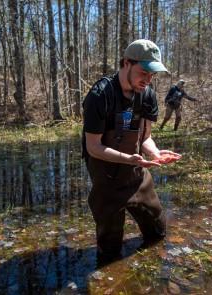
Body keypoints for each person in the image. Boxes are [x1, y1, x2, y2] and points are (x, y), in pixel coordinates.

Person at [82, 39, 181, 261]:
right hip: (106, 178)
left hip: (137, 174)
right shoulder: (100, 96)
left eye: (152, 75)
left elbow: (145, 137)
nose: (147, 80)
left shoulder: (147, 96)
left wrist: (154, 153)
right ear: (127, 63)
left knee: (157, 231)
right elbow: (93, 147)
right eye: (144, 72)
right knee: (110, 249)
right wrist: (130, 158)